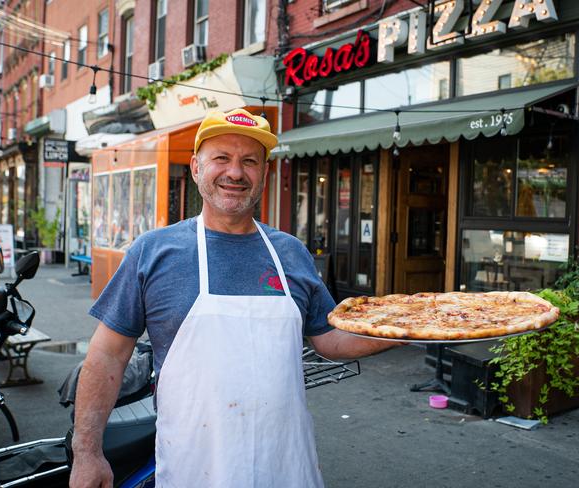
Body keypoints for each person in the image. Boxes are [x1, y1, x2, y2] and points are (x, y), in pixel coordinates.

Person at [69, 108, 402, 488]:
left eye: (249, 161)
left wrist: (409, 329)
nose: (235, 172)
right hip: (194, 467)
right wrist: (88, 452)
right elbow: (107, 354)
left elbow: (330, 339)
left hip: (287, 466)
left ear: (264, 173)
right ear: (196, 167)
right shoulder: (154, 252)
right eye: (221, 158)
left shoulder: (290, 252)